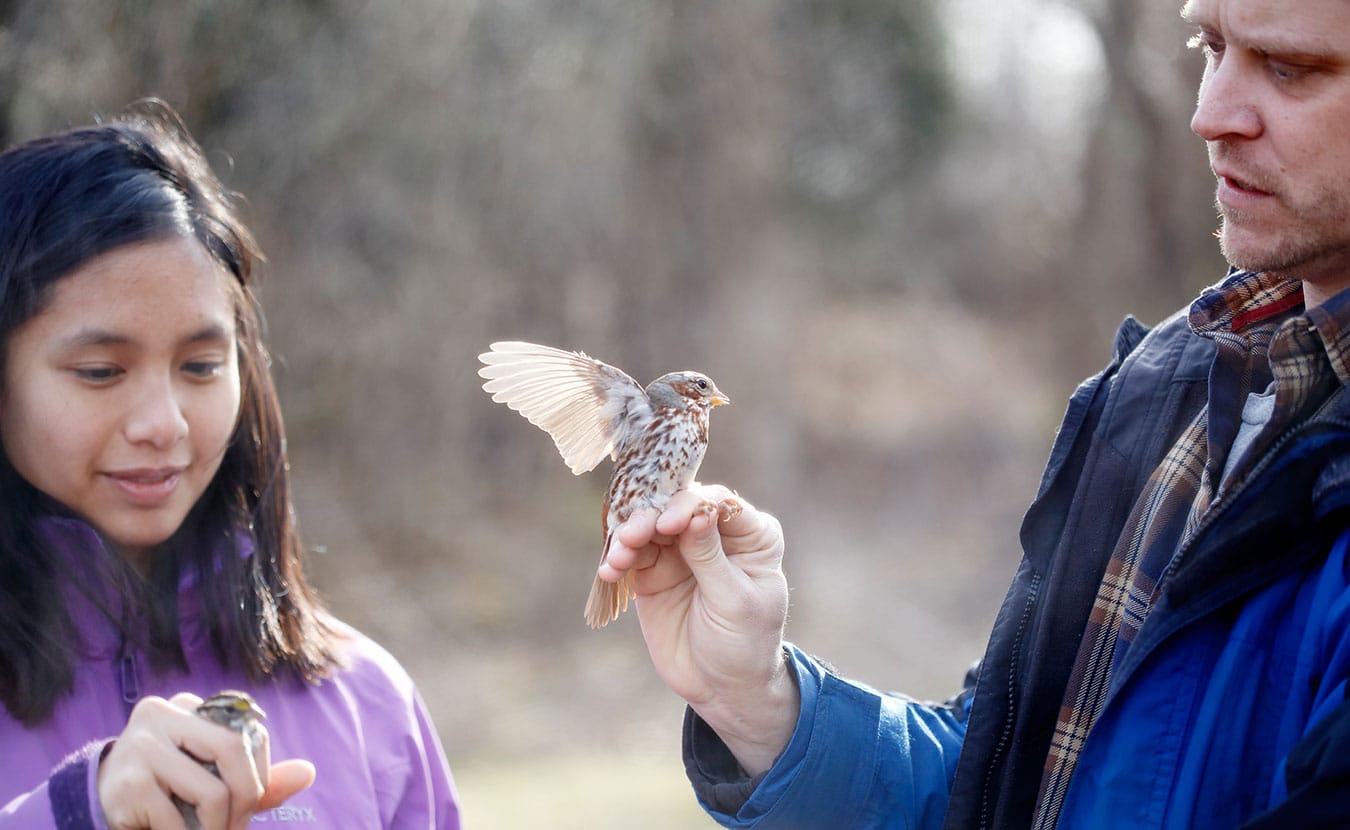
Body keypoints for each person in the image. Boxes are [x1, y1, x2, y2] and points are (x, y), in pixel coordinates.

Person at [597, 0, 1350, 826]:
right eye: (1209, 45)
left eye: (1290, 69)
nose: (1209, 114)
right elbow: (998, 788)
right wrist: (756, 699)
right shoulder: (1162, 390)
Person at [0, 101, 460, 829]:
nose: (164, 424)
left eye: (202, 365)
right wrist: (75, 811)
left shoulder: (367, 702)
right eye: (99, 371)